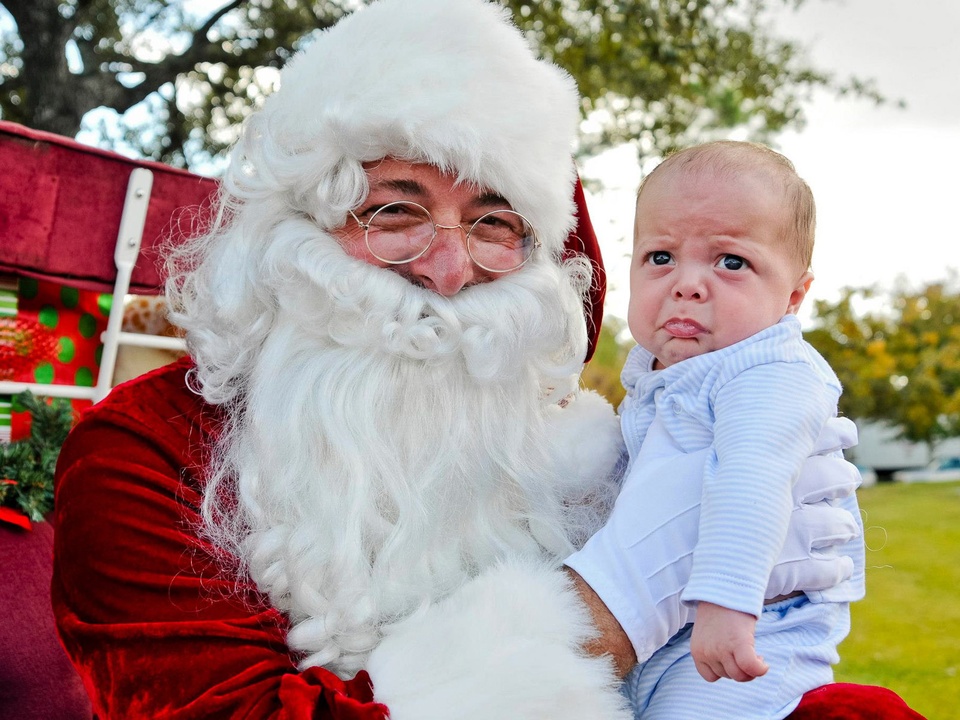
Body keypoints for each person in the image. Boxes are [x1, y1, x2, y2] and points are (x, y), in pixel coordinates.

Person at [50, 1, 921, 718]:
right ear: (293, 230)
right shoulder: (143, 451)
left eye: (495, 223)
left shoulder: (580, 440)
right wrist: (610, 613)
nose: (448, 268)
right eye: (395, 211)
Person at [568, 141, 865, 719]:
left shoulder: (770, 371)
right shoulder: (664, 374)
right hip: (670, 633)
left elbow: (755, 476)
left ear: (793, 297)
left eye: (731, 262)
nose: (687, 283)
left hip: (755, 628)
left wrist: (728, 602)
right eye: (660, 257)